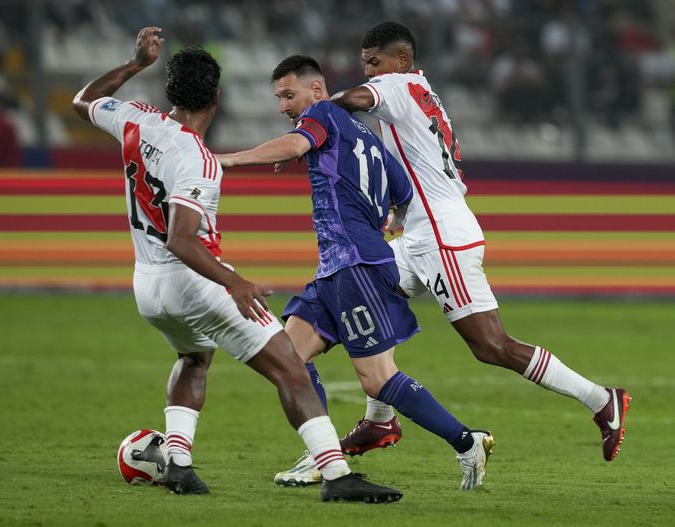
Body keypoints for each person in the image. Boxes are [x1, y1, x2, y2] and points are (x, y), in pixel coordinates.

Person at [71, 27, 403, 503]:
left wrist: (133, 64)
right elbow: (182, 238)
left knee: (194, 356)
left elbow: (84, 99)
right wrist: (236, 282)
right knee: (289, 366)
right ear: (218, 99)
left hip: (147, 285)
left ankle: (179, 465)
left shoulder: (135, 119)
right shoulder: (198, 159)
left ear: (168, 92)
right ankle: (335, 474)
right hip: (195, 281)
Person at [321, 21, 629, 465]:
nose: (368, 72)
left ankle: (601, 399)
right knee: (363, 289)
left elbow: (354, 100)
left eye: (373, 62)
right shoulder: (422, 95)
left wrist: (317, 111)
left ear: (401, 60)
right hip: (422, 232)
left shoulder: (397, 84)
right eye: (364, 64)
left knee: (491, 345)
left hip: (443, 238)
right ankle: (380, 417)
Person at [217, 55, 494, 492]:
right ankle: (322, 454)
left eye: (289, 95)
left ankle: (466, 441)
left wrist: (229, 161)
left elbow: (295, 145)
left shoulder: (323, 113)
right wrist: (387, 221)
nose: (283, 106)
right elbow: (403, 196)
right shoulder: (370, 139)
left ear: (317, 90)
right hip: (337, 267)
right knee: (287, 358)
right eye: (278, 97)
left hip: (358, 265)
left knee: (377, 378)